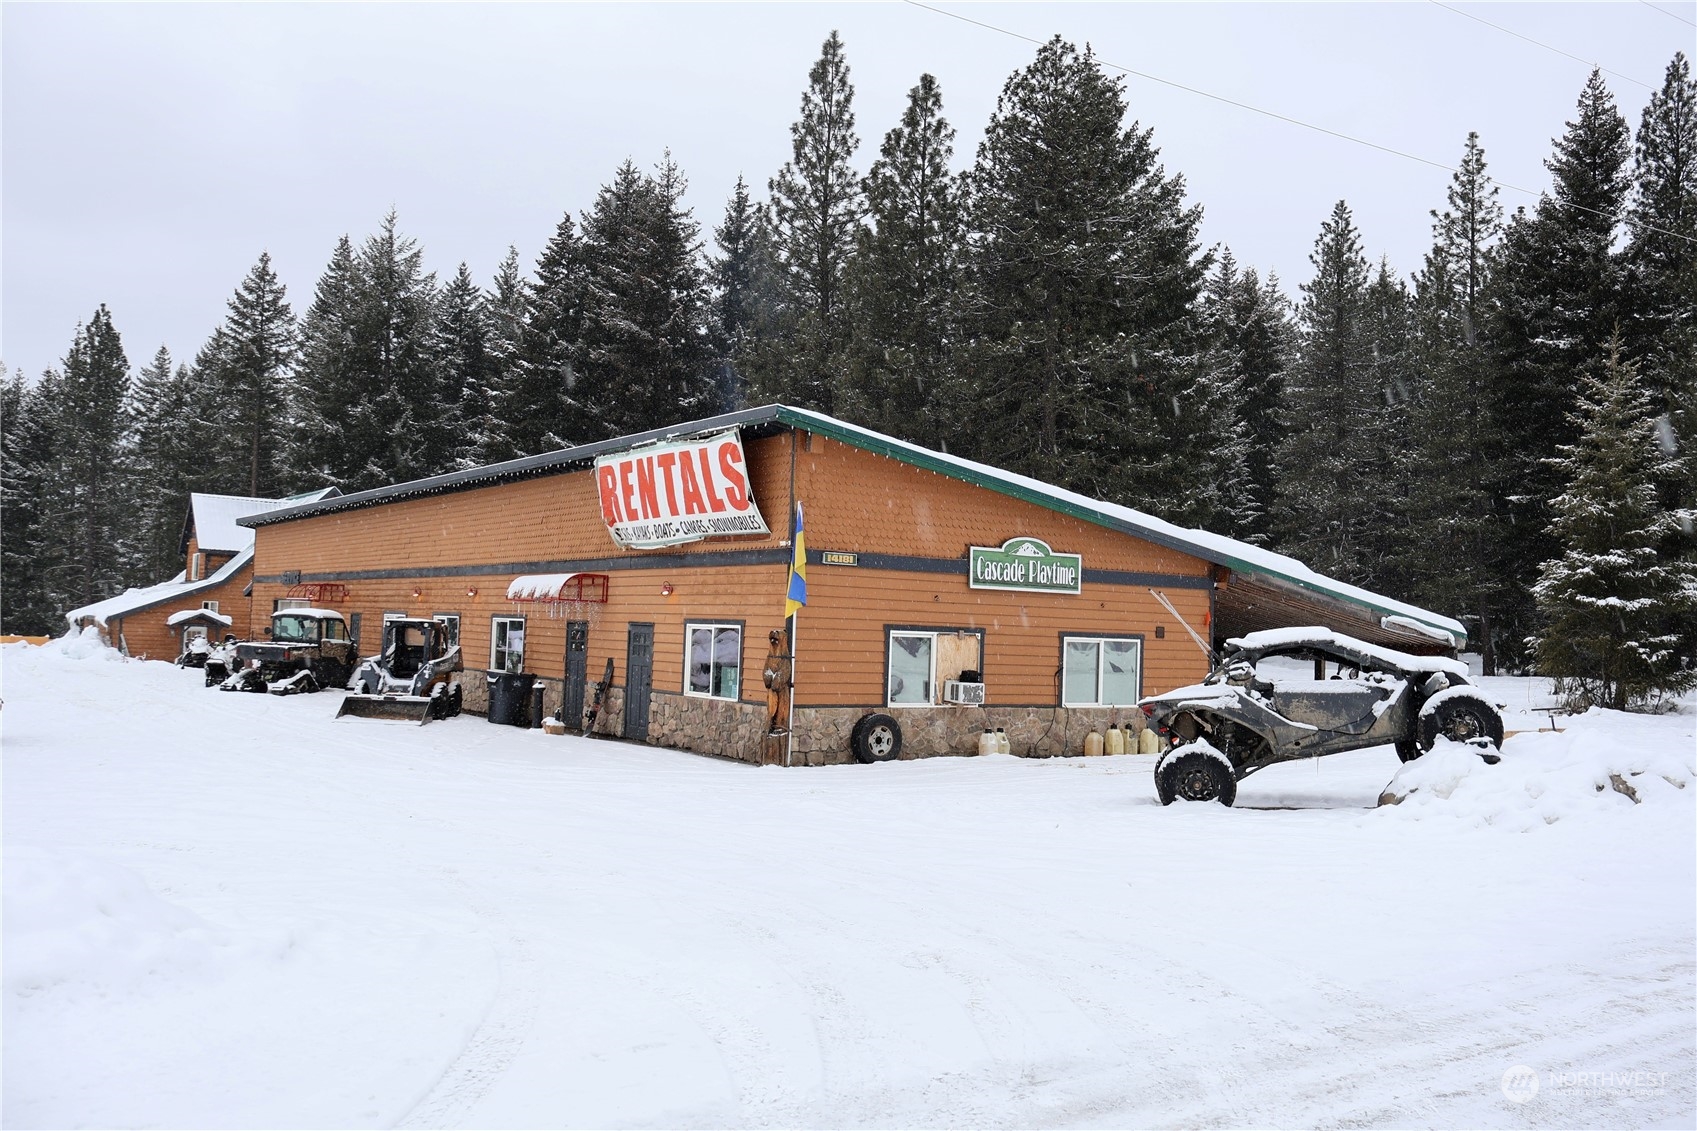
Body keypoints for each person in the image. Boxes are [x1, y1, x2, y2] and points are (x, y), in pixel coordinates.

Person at [762, 629, 792, 735]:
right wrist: (768, 678)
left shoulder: (784, 657)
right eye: (772, 640)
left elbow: (785, 671)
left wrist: (777, 681)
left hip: (782, 692)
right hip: (771, 694)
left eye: (776, 640)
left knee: (781, 712)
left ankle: (779, 726)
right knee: (771, 710)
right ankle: (770, 724)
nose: (774, 642)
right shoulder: (770, 656)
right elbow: (766, 670)